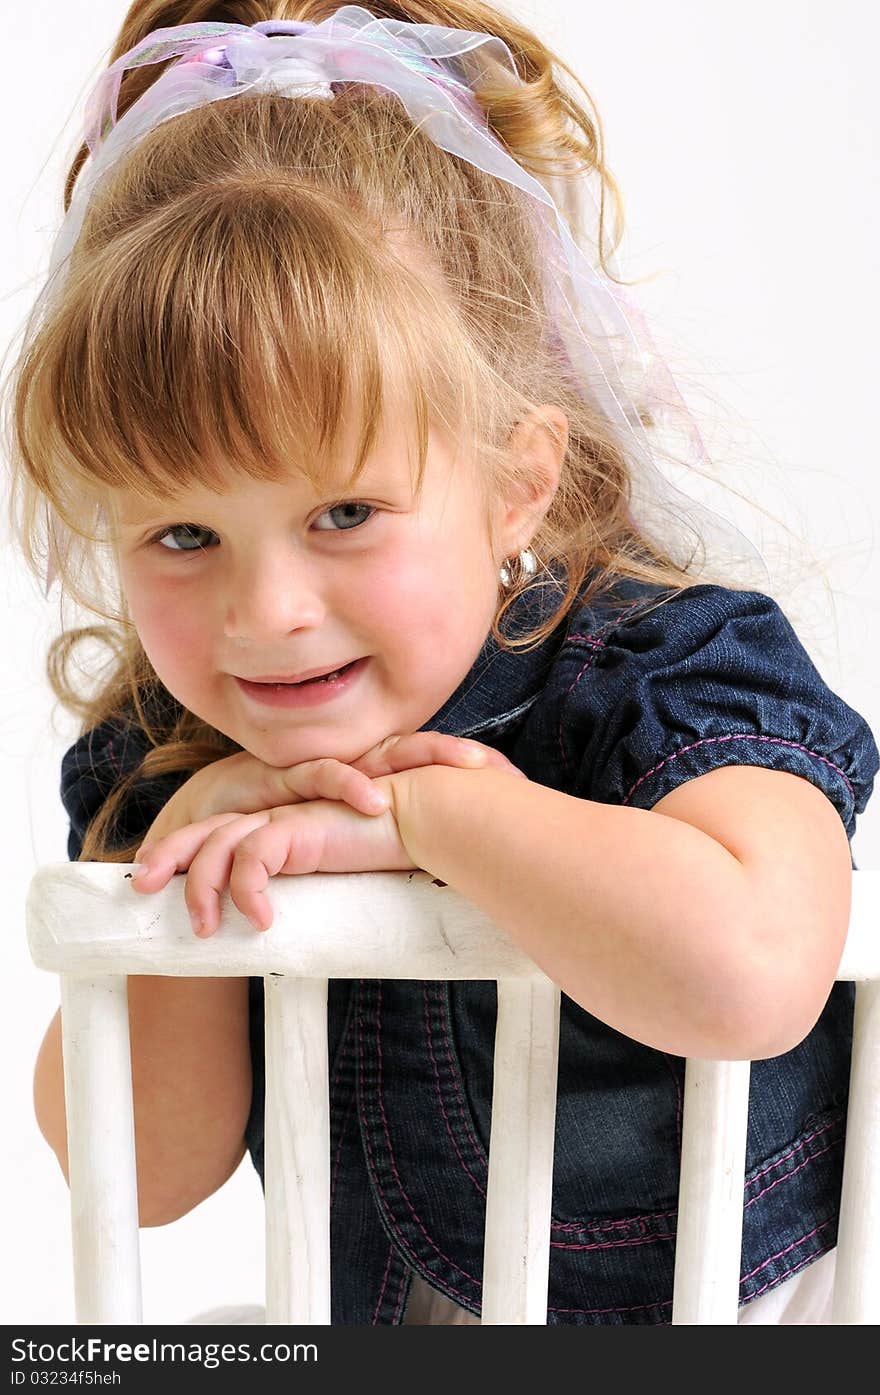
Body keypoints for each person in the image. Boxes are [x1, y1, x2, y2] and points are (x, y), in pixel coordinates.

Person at [8, 2, 878, 1327]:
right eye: (184, 534)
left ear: (517, 485)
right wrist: (173, 864)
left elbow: (757, 970)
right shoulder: (167, 751)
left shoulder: (663, 670)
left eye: (344, 515)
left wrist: (435, 813)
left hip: (751, 1307)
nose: (269, 611)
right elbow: (137, 1177)